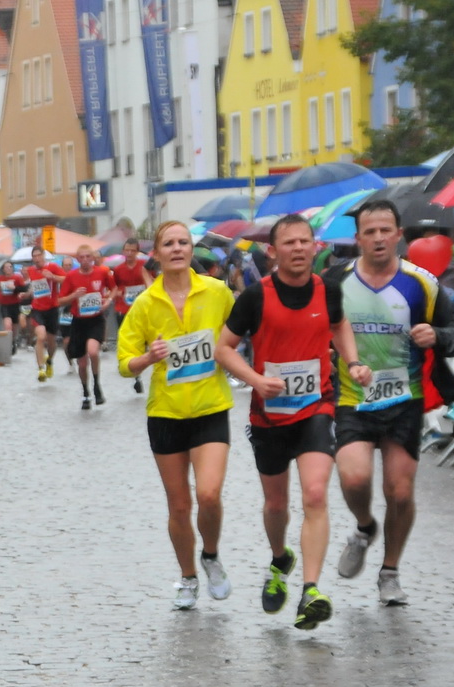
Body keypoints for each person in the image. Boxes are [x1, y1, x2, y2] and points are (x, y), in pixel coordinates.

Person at [215, 214, 362, 630]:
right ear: (272, 251)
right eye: (290, 243)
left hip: (317, 405)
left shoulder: (328, 290)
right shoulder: (255, 298)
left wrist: (352, 361)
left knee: (315, 494)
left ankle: (310, 591)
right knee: (276, 504)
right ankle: (281, 560)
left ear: (316, 247)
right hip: (269, 415)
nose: (298, 249)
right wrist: (256, 379)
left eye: (305, 242)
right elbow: (223, 349)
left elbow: (338, 324)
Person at [326, 199, 454, 605]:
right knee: (354, 479)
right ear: (357, 239)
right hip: (353, 396)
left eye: (385, 230)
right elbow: (315, 325)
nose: (378, 238)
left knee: (400, 492)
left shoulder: (421, 282)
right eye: (369, 232)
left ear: (399, 235)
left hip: (405, 398)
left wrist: (437, 337)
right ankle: (365, 526)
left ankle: (390, 571)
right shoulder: (335, 280)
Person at [116, 221, 237, 609]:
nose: (178, 248)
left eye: (184, 242)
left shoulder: (217, 292)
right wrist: (147, 358)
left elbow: (240, 331)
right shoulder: (146, 304)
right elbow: (123, 363)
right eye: (169, 243)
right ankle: (187, 577)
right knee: (180, 505)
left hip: (210, 407)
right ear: (158, 253)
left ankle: (212, 555)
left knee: (209, 493)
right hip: (166, 413)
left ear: (191, 249)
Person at [57, 245, 116, 409]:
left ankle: (97, 385)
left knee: (92, 351)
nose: (85, 260)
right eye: (81, 257)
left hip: (96, 319)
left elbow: (114, 288)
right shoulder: (71, 277)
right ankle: (85, 392)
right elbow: (60, 301)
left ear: (93, 258)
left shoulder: (102, 272)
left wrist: (108, 301)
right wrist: (74, 296)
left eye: (87, 256)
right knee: (82, 364)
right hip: (78, 321)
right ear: (77, 259)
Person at [111, 238, 150, 393]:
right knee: (128, 342)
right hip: (124, 308)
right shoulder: (118, 269)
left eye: (132, 251)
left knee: (144, 341)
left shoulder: (144, 266)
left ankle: (141, 363)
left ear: (137, 252)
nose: (129, 253)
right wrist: (117, 292)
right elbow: (115, 285)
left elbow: (152, 280)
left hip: (142, 309)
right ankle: (136, 376)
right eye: (126, 250)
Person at [24, 245, 66, 381]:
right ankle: (41, 369)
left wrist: (53, 277)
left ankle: (49, 361)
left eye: (38, 256)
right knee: (41, 337)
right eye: (34, 257)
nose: (36, 259)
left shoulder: (52, 267)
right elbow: (35, 288)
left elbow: (67, 279)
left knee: (52, 343)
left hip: (52, 308)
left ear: (43, 256)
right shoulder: (30, 270)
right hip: (37, 309)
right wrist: (27, 294)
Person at [0, 260, 26, 354]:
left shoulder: (17, 278)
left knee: (14, 326)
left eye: (10, 267)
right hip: (4, 305)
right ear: (3, 269)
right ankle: (8, 344)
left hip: (15, 304)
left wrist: (14, 288)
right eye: (6, 267)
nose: (9, 269)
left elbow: (23, 288)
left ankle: (13, 341)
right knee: (7, 324)